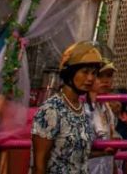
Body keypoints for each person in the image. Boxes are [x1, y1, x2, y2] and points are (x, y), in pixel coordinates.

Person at [31, 41, 107, 174]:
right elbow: (39, 164)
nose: (90, 78)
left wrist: (102, 152)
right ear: (70, 73)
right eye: (85, 72)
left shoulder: (80, 108)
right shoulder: (51, 110)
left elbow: (73, 156)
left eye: (94, 73)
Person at [87, 60, 119, 174]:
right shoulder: (82, 107)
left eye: (109, 76)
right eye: (100, 76)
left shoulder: (107, 109)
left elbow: (110, 155)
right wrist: (104, 151)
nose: (106, 80)